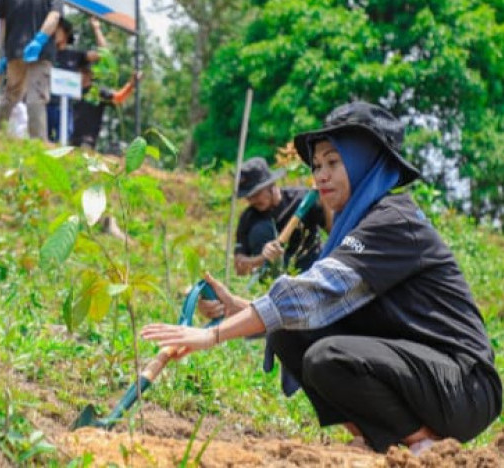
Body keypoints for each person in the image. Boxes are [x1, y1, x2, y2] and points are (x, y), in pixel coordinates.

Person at [142, 101, 502, 455]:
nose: (320, 176)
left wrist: (214, 334)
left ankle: (424, 443)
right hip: (422, 374)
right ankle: (376, 436)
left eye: (333, 162)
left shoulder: (394, 221)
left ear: (366, 162)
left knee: (330, 355)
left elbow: (315, 292)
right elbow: (310, 308)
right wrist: (237, 310)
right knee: (288, 334)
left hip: (464, 386)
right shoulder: (358, 223)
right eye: (316, 165)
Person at [0, 0, 63, 141]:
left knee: (10, 94)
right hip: (40, 51)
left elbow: (3, 24)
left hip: (14, 50)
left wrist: (3, 53)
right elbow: (54, 17)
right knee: (36, 96)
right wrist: (40, 39)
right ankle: (38, 143)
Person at [233, 157, 328, 276]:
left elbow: (333, 231)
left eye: (257, 194)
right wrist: (263, 257)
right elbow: (239, 266)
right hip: (273, 282)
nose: (253, 200)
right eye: (248, 196)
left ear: (271, 185)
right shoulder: (248, 217)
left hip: (313, 269)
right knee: (260, 230)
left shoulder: (301, 200)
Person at [47, 16, 107, 142]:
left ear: (65, 34)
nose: (52, 32)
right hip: (46, 106)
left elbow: (104, 53)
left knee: (62, 144)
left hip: (64, 108)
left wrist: (96, 29)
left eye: (56, 30)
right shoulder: (45, 54)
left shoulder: (75, 56)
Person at [71, 68, 141, 149]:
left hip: (87, 139)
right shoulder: (72, 90)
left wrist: (131, 84)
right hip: (69, 136)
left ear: (90, 74)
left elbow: (118, 98)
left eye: (83, 72)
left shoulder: (98, 91)